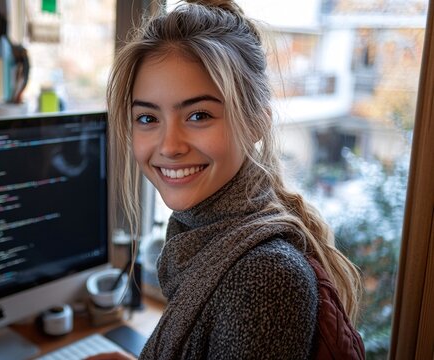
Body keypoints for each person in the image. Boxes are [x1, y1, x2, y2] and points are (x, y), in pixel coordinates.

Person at [89, 0, 364, 359]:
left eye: (199, 115)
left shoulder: (263, 278)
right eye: (147, 118)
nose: (169, 146)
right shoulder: (203, 234)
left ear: (256, 123)